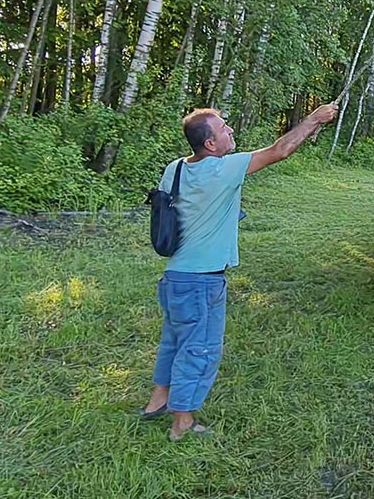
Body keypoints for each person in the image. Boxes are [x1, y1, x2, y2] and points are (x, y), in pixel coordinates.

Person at [139, 103, 338, 441]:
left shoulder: (174, 168)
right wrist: (313, 119)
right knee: (199, 348)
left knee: (174, 341)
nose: (230, 131)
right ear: (211, 145)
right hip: (203, 282)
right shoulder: (223, 170)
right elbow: (280, 150)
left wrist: (310, 131)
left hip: (175, 279)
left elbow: (284, 147)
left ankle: (157, 401)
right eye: (223, 129)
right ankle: (182, 422)